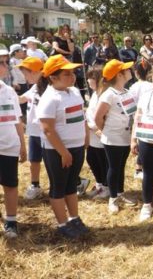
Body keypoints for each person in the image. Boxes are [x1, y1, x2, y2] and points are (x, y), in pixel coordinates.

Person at [36, 54, 90, 239]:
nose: (72, 76)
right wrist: (63, 152)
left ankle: (74, 218)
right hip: (57, 151)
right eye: (66, 74)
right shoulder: (50, 98)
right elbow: (48, 129)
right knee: (58, 186)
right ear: (53, 77)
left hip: (76, 146)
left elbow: (81, 116)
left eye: (72, 72)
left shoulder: (73, 92)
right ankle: (62, 223)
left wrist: (86, 136)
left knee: (71, 185)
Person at [95, 59, 138, 214]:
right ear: (119, 75)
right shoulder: (109, 95)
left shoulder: (126, 92)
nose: (129, 71)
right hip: (113, 137)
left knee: (121, 166)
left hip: (125, 136)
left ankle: (120, 193)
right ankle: (112, 198)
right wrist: (105, 131)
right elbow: (98, 117)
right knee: (113, 167)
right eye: (126, 70)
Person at [131, 64, 153, 222]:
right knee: (149, 174)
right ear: (151, 77)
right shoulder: (145, 95)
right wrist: (133, 139)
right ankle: (147, 204)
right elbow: (137, 117)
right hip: (146, 140)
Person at [0, 49, 26, 238]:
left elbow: (17, 119)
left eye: (5, 62)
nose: (5, 66)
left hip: (9, 147)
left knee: (10, 185)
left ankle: (11, 220)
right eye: (1, 63)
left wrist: (22, 144)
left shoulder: (9, 91)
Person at [17, 57, 45, 200]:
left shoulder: (48, 88)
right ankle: (35, 185)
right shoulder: (34, 87)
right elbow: (21, 99)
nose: (24, 77)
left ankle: (74, 181)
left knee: (55, 161)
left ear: (34, 72)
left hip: (47, 132)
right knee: (34, 159)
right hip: (34, 131)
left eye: (26, 74)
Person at [84, 66, 110, 199]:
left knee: (102, 161)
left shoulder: (105, 95)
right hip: (92, 135)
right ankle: (99, 184)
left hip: (100, 134)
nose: (88, 81)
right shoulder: (94, 93)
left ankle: (106, 187)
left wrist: (94, 128)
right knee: (92, 159)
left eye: (91, 78)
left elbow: (103, 116)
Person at [128, 59, 153, 180]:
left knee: (140, 142)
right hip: (148, 119)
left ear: (136, 73)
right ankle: (140, 167)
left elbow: (130, 105)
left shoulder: (133, 87)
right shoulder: (152, 86)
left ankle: (139, 167)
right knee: (144, 143)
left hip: (136, 117)